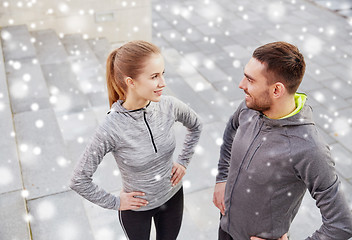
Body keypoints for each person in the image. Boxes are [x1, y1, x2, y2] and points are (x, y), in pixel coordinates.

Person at [213, 41, 352, 240]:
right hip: (225, 228)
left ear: (277, 90)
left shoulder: (309, 149)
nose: (241, 85)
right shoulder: (250, 106)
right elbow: (230, 132)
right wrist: (222, 178)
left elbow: (341, 224)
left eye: (250, 80)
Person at [70, 40, 202, 240]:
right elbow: (79, 180)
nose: (162, 83)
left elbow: (196, 125)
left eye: (162, 74)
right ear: (131, 81)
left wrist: (183, 162)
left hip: (173, 197)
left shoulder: (169, 106)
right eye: (154, 76)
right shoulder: (111, 128)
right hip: (137, 211)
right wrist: (115, 202)